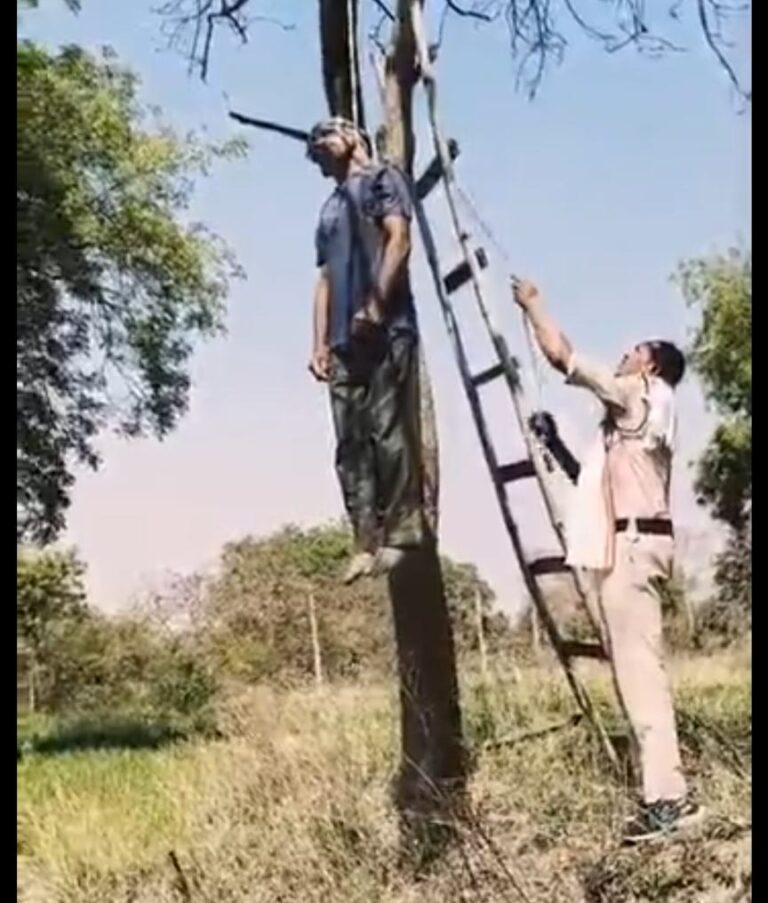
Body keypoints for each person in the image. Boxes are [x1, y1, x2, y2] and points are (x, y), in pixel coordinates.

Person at [512, 277, 702, 844]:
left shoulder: (639, 396)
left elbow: (560, 355)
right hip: (628, 545)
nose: (624, 353)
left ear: (650, 368)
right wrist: (556, 446)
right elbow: (594, 488)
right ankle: (662, 795)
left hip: (634, 549)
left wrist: (534, 305)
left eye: (634, 351)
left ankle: (671, 801)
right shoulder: (631, 424)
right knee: (633, 672)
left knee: (641, 675)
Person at [306, 117, 430, 584]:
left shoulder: (383, 178)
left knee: (387, 429)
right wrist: (318, 341)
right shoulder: (329, 208)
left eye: (324, 139)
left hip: (385, 326)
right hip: (341, 341)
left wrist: (377, 304)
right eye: (314, 149)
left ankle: (402, 533)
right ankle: (364, 538)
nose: (318, 149)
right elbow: (323, 278)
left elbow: (399, 239)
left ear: (352, 136)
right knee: (350, 443)